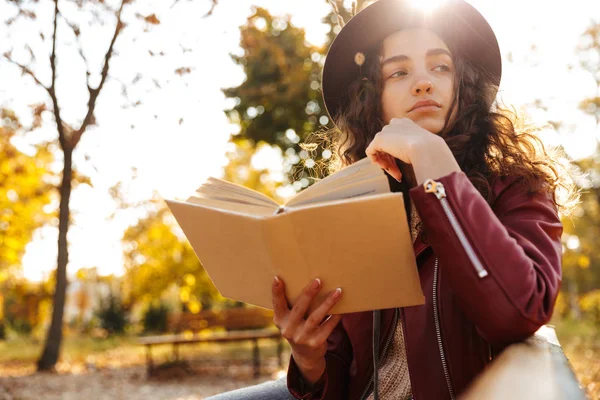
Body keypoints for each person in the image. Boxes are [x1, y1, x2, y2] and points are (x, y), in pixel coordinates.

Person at [206, 0, 577, 399]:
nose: (423, 82)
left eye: (440, 67)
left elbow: (519, 312)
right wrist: (309, 359)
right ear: (373, 99)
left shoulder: (519, 185)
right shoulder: (352, 205)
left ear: (463, 85)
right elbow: (340, 365)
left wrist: (435, 165)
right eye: (398, 72)